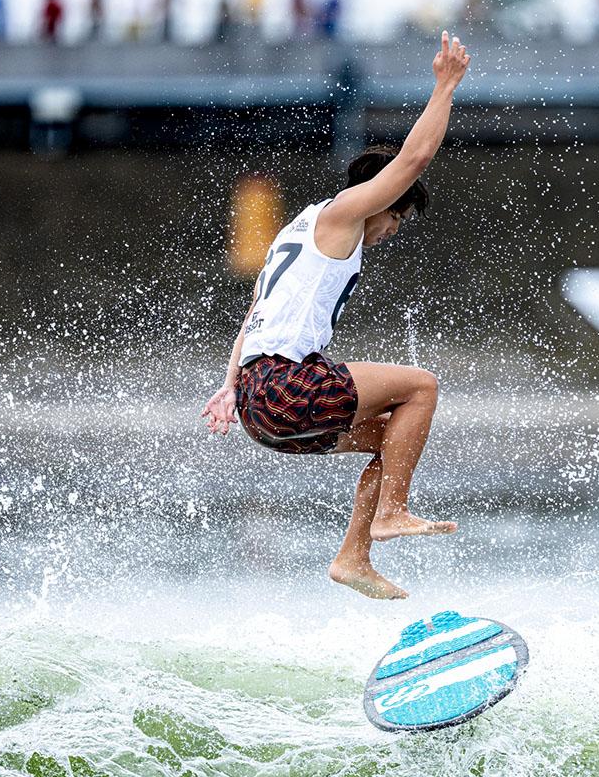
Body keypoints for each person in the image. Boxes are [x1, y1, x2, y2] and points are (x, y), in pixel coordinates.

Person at [201, 31, 471, 600]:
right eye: (396, 218)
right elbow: (415, 158)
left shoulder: (295, 231)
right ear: (379, 202)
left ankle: (354, 558)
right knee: (422, 387)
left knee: (394, 439)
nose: (393, 230)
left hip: (260, 409)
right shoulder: (345, 214)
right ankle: (392, 511)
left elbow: (255, 312)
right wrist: (445, 84)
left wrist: (229, 387)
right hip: (285, 386)